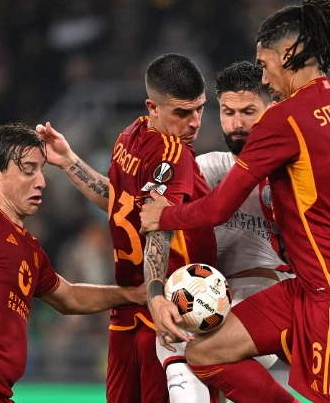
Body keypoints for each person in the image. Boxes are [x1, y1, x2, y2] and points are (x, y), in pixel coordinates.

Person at [140, 0, 330, 402]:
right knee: (204, 352)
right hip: (309, 287)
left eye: (264, 63)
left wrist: (164, 215)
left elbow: (219, 208)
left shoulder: (285, 119)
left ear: (288, 55)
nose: (263, 75)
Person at [0, 123, 146, 403]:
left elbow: (69, 296)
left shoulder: (32, 249)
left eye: (41, 170)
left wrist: (130, 294)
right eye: (28, 169)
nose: (41, 181)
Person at [37, 53, 217, 403]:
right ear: (153, 107)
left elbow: (116, 200)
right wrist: (156, 299)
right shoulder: (175, 155)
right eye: (182, 112)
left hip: (129, 313)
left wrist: (69, 162)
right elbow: (157, 229)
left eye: (200, 109)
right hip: (168, 312)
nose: (194, 122)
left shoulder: (129, 137)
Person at [159, 60, 295, 403]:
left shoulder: (295, 174)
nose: (237, 123)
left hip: (268, 294)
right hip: (202, 291)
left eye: (249, 111)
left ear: (272, 109)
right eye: (228, 111)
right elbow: (131, 205)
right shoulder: (209, 167)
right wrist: (71, 162)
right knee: (172, 337)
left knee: (190, 350)